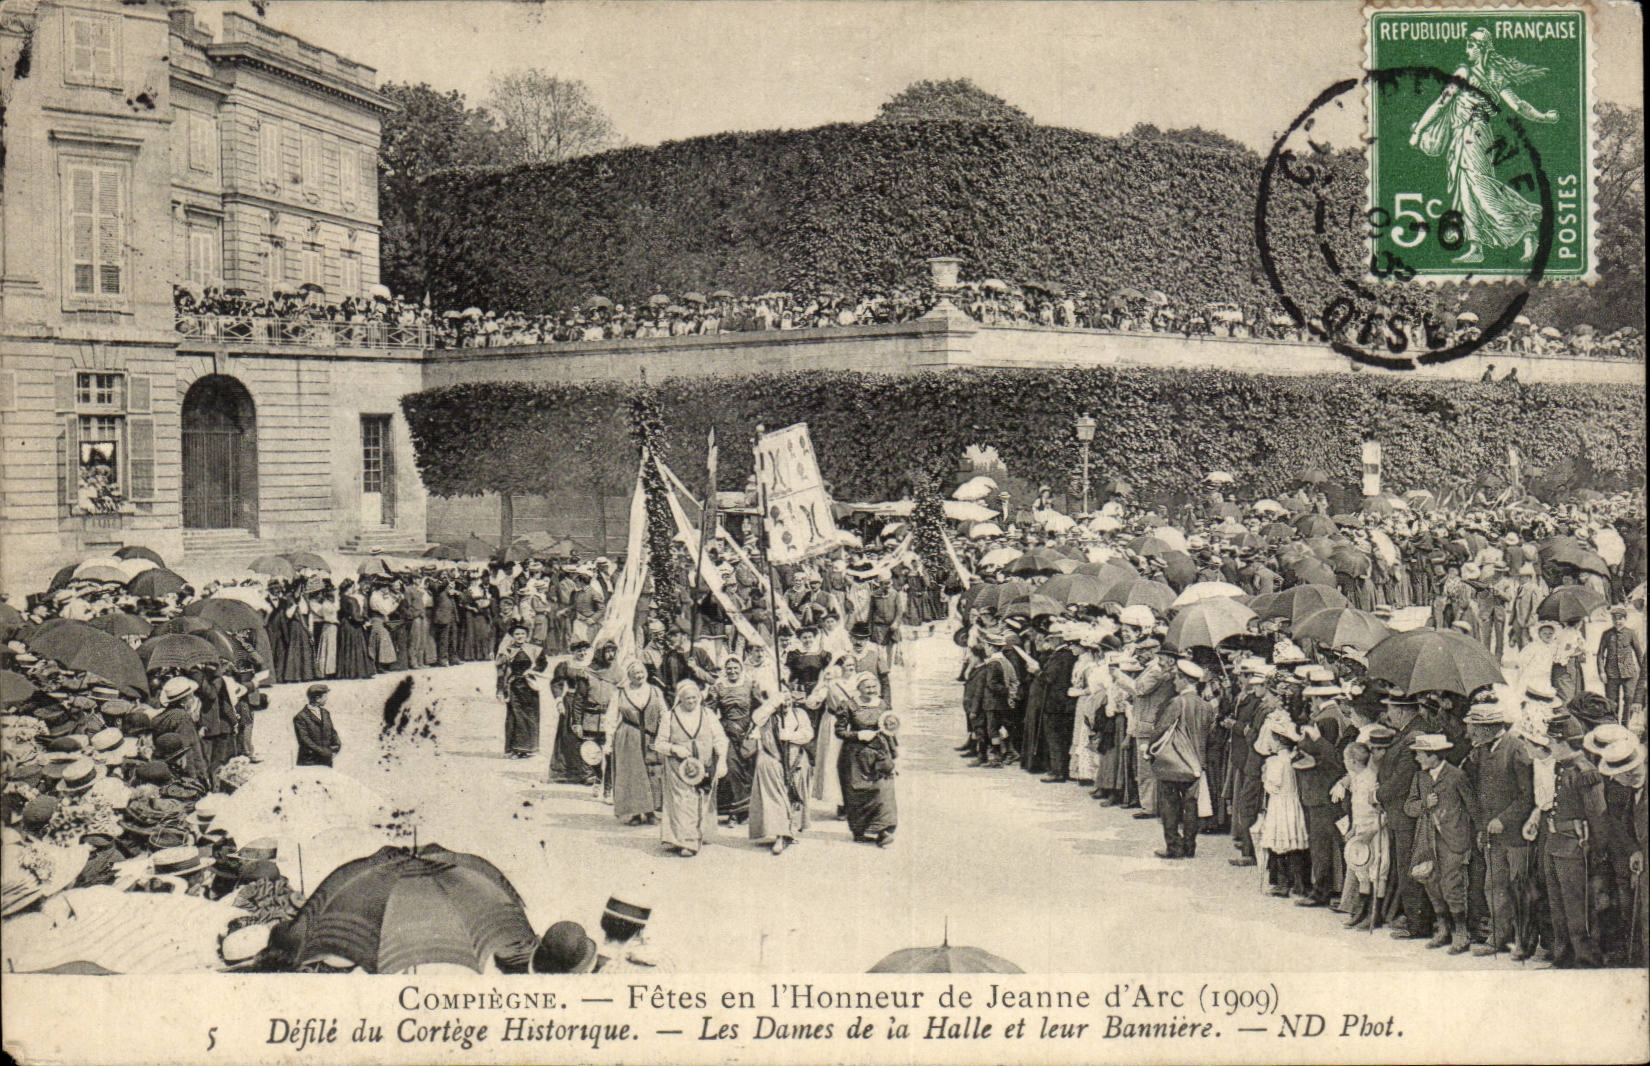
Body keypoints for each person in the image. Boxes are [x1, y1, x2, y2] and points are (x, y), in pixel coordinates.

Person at [1407, 28, 1557, 265]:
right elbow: (1442, 102)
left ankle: (1526, 229)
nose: (1467, 50)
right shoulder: (1473, 73)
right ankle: (1476, 247)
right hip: (1462, 137)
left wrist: (1543, 117)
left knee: (1480, 187)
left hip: (1474, 136)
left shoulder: (1478, 74)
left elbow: (1518, 105)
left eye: (1471, 46)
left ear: (1482, 49)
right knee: (1466, 190)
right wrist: (1420, 129)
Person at [1535, 714, 1608, 968]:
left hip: (1575, 847)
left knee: (1578, 909)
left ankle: (1586, 960)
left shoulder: (1584, 772)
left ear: (1563, 741)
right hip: (1556, 844)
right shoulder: (1564, 768)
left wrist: (1598, 852)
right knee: (1558, 907)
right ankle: (1563, 957)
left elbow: (1598, 817)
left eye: (1551, 742)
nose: (1548, 747)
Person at [1404, 733, 1475, 953]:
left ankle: (1461, 933)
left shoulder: (1456, 776)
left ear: (1434, 756)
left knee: (1452, 886)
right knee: (1431, 884)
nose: (1417, 758)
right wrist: (1424, 804)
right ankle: (1443, 930)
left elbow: (1472, 808)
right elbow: (1409, 807)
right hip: (1427, 841)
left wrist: (1475, 836)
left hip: (1453, 841)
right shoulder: (1420, 778)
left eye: (1420, 754)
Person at [653, 679, 727, 857]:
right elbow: (659, 743)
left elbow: (720, 738)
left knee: (701, 799)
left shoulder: (707, 714)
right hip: (678, 768)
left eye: (695, 698)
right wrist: (675, 749)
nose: (691, 702)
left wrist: (722, 759)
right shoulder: (669, 716)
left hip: (704, 765)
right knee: (682, 802)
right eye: (688, 699)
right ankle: (687, 842)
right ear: (680, 699)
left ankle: (695, 835)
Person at [1150, 658, 1214, 860]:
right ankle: (1189, 846)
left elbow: (1161, 729)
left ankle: (1173, 847)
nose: (1174, 682)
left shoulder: (1177, 703)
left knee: (1169, 805)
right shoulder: (1206, 706)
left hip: (1175, 761)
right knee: (1191, 806)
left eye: (1177, 678)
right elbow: (1209, 735)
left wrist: (1149, 750)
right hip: (1197, 763)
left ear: (1185, 680)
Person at [835, 672, 898, 847]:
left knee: (883, 790)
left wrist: (893, 757)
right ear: (859, 688)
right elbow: (839, 731)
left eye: (874, 686)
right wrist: (858, 735)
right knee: (857, 794)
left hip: (879, 753)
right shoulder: (848, 706)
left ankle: (883, 832)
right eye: (867, 687)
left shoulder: (883, 705)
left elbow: (890, 730)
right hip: (855, 756)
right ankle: (860, 830)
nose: (872, 690)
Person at [748, 690, 814, 854]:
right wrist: (773, 703)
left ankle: (789, 831)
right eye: (782, 701)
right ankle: (780, 834)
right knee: (777, 798)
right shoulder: (767, 714)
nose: (785, 704)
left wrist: (790, 735)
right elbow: (756, 719)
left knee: (793, 795)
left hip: (795, 758)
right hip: (772, 758)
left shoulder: (800, 714)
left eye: (788, 700)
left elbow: (808, 734)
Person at [603, 661, 665, 825]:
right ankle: (635, 813)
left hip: (651, 736)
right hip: (628, 736)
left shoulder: (655, 691)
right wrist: (608, 741)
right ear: (629, 676)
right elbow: (610, 717)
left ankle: (651, 811)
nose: (639, 675)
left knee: (652, 773)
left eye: (641, 672)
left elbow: (664, 714)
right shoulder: (621, 693)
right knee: (632, 774)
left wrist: (663, 735)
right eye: (635, 673)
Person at [498, 626, 542, 759]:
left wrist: (533, 670)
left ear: (527, 635)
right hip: (514, 686)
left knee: (531, 716)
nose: (520, 636)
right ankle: (515, 749)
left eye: (522, 633)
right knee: (515, 717)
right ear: (512, 636)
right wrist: (500, 690)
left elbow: (543, 664)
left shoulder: (535, 649)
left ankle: (528, 748)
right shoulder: (507, 651)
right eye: (517, 634)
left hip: (530, 686)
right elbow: (501, 671)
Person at [1597, 605, 1644, 721]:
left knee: (1629, 699)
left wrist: (1644, 672)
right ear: (1612, 620)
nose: (1618, 622)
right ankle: (1613, 724)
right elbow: (1600, 655)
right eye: (1615, 619)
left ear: (1625, 619)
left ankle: (1625, 724)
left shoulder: (1631, 633)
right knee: (1612, 701)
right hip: (1611, 674)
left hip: (1629, 673)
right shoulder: (1607, 634)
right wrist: (1602, 672)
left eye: (1620, 619)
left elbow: (1639, 654)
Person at [293, 684, 341, 767]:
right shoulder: (301, 717)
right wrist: (323, 752)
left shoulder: (325, 713)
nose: (327, 699)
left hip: (326, 760)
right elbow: (304, 739)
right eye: (325, 696)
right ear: (317, 699)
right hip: (309, 761)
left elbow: (332, 731)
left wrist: (337, 745)